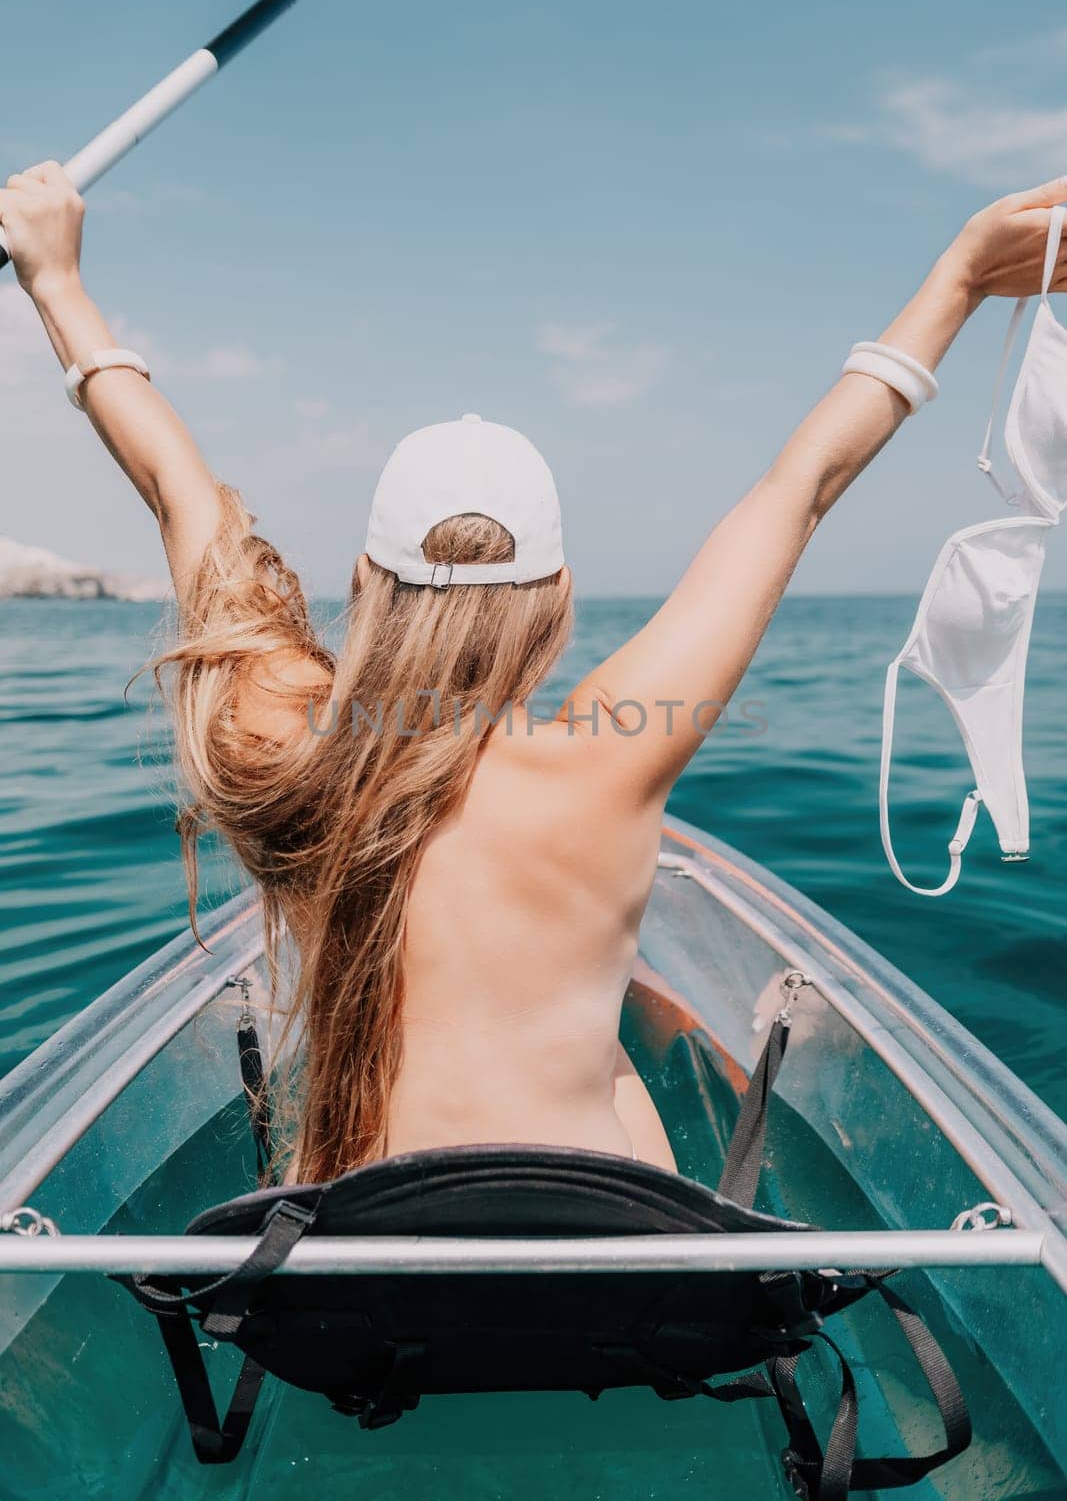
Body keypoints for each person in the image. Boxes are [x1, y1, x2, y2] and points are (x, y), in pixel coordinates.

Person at [3, 163, 1065, 1184]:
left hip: (349, 1264)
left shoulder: (276, 742)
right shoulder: (608, 757)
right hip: (600, 1265)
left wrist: (57, 281)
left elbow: (175, 487)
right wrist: (961, 277)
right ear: (557, 595)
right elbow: (798, 488)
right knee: (617, 1067)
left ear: (368, 577)